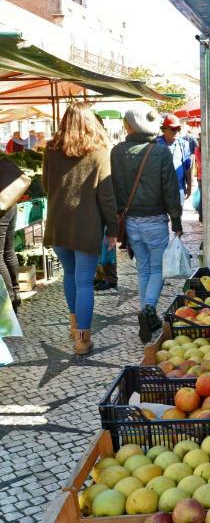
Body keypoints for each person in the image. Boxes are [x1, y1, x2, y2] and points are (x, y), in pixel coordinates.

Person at [42, 102, 118, 354]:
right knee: (84, 281)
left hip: (58, 224)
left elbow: (45, 184)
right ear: (91, 122)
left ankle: (75, 328)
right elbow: (107, 196)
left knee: (71, 275)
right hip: (87, 225)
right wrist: (113, 229)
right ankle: (82, 340)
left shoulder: (50, 150)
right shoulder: (99, 152)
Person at [111, 103, 183, 342]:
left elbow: (113, 188)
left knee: (143, 268)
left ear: (131, 125)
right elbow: (171, 189)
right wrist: (176, 220)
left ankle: (146, 313)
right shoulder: (161, 153)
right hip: (155, 221)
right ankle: (149, 308)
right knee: (157, 269)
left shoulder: (117, 151)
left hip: (130, 221)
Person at [157, 114, 192, 204]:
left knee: (177, 217)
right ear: (164, 129)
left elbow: (187, 167)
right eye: (173, 129)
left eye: (178, 129)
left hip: (178, 189)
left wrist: (189, 186)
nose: (176, 131)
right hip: (159, 192)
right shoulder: (155, 144)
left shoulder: (183, 144)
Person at [0, 205, 19, 311]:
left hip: (2, 206)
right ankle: (15, 293)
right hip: (10, 202)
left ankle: (10, 300)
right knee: (8, 252)